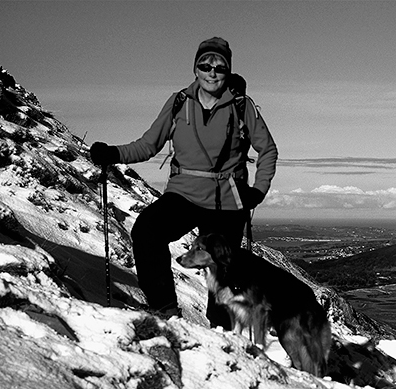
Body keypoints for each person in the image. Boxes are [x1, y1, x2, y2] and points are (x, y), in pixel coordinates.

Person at [89, 37, 278, 327]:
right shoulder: (179, 103)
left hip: (228, 200)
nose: (212, 72)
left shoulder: (241, 106)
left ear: (227, 71)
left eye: (219, 66)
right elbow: (148, 145)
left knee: (223, 274)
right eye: (205, 65)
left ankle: (221, 334)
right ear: (195, 69)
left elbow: (267, 149)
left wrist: (258, 190)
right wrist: (113, 153)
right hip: (184, 195)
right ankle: (165, 310)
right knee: (147, 231)